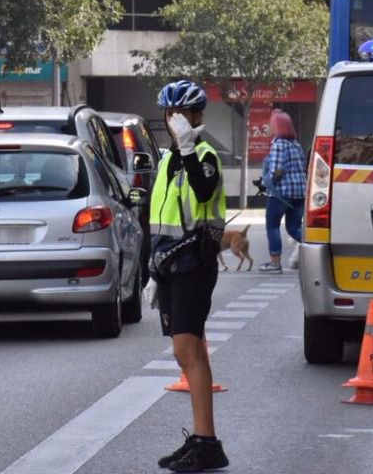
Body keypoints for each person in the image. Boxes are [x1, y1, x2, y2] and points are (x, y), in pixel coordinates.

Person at [143, 80, 230, 473]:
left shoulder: (204, 155)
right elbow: (159, 217)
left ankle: (206, 442)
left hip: (194, 264)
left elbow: (204, 189)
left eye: (181, 113)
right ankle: (203, 439)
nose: (173, 119)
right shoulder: (167, 160)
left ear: (197, 116)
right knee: (189, 352)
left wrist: (189, 147)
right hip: (169, 265)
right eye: (169, 113)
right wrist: (151, 268)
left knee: (187, 351)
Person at [258, 110, 306, 274]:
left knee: (272, 226)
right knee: (294, 227)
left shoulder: (278, 145)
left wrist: (266, 183)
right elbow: (302, 166)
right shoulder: (296, 144)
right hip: (300, 192)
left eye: (272, 124)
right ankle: (316, 248)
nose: (269, 126)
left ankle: (275, 263)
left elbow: (277, 172)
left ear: (278, 127)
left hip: (281, 193)